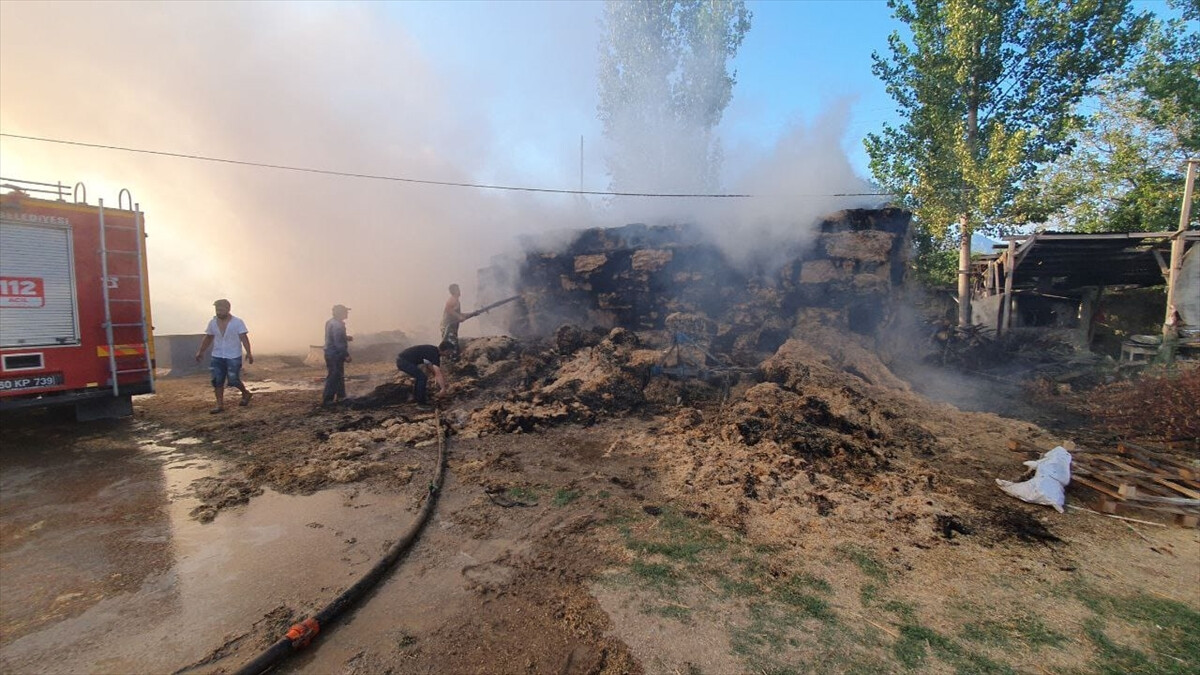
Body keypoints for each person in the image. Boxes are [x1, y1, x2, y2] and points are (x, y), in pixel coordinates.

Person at [194, 298, 253, 414]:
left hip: (233, 355)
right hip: (217, 355)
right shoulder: (212, 323)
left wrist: (249, 353)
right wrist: (201, 351)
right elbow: (208, 337)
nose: (218, 312)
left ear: (228, 309)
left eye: (221, 309)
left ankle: (245, 393)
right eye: (217, 309)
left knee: (233, 379)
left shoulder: (237, 322)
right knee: (217, 380)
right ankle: (220, 405)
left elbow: (244, 338)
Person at [322, 304, 353, 406]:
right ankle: (328, 400)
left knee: (339, 376)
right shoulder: (338, 325)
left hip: (330, 353)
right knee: (334, 376)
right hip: (335, 354)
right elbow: (338, 343)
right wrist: (346, 355)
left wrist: (346, 337)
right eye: (345, 311)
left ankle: (341, 397)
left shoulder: (330, 322)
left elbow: (333, 337)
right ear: (341, 313)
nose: (347, 313)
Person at [441, 283, 476, 357]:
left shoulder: (456, 300)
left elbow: (458, 313)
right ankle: (452, 360)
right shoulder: (453, 300)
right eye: (458, 289)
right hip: (448, 326)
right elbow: (448, 309)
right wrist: (459, 317)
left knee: (452, 343)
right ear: (455, 291)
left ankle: (452, 358)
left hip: (452, 326)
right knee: (451, 345)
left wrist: (470, 314)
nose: (460, 291)